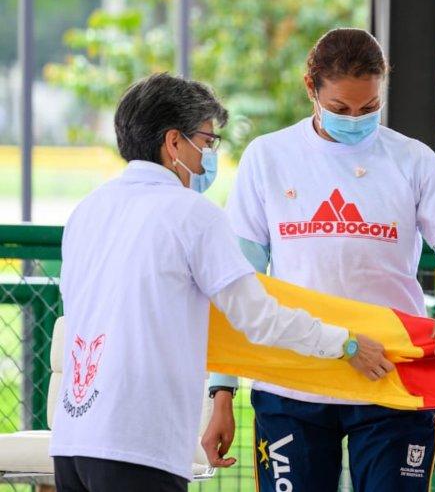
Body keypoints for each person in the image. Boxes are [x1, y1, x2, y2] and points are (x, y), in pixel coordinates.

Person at [49, 73, 391, 492]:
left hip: (72, 440)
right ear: (174, 142)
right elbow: (258, 317)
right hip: (140, 443)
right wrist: (345, 343)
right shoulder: (193, 214)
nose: (208, 156)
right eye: (207, 142)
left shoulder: (88, 210)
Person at [204, 28, 435, 491]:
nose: (356, 120)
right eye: (341, 109)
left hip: (391, 379)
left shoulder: (413, 160)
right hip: (291, 382)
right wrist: (221, 392)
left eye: (369, 109)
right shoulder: (268, 158)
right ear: (311, 88)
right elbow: (236, 282)